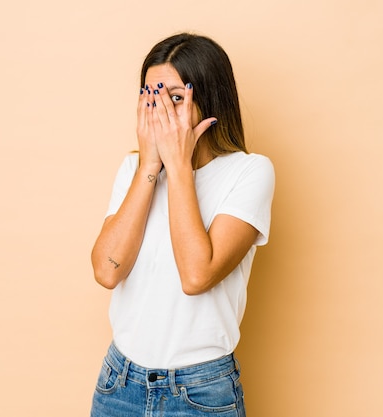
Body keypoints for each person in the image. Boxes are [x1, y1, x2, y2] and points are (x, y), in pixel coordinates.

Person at [90, 32, 275, 417]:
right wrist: (149, 166)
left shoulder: (249, 172)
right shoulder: (134, 170)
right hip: (119, 384)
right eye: (151, 97)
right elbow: (107, 271)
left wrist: (178, 167)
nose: (162, 111)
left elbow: (196, 275)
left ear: (209, 97)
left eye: (176, 97)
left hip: (200, 393)